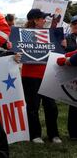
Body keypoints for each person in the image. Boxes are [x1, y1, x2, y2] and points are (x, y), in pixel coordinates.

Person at [21, 8, 62, 144]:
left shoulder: (48, 33)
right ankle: (35, 135)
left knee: (51, 106)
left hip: (47, 74)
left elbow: (57, 46)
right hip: (30, 75)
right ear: (35, 20)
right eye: (42, 18)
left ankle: (53, 134)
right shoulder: (23, 34)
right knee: (33, 107)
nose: (45, 20)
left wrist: (61, 44)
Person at [59, 15, 77, 139]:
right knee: (74, 103)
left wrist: (69, 59)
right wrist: (64, 48)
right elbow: (60, 54)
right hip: (70, 75)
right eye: (74, 23)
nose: (76, 25)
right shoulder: (66, 38)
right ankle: (74, 133)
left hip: (72, 64)